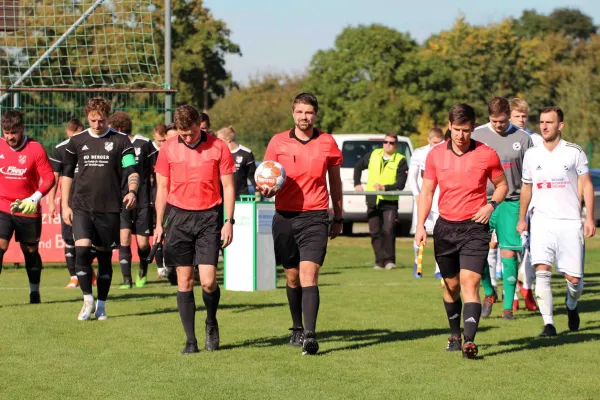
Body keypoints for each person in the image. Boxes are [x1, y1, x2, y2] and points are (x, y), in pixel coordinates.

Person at [415, 103, 507, 359]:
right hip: (445, 227)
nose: (460, 136)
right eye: (456, 129)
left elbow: (501, 185)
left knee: (471, 283)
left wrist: (491, 206)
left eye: (466, 130)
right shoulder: (435, 155)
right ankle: (454, 334)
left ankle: (469, 341)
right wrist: (421, 225)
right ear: (449, 127)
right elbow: (427, 192)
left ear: (473, 128)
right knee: (450, 286)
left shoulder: (486, 153)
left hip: (475, 227)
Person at [260, 92, 343, 356]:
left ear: (315, 114)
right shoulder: (277, 142)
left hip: (316, 216)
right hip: (284, 216)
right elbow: (265, 176)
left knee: (309, 274)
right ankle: (296, 328)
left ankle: (310, 335)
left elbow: (336, 181)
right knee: (292, 277)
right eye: (299, 112)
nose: (303, 117)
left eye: (308, 112)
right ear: (293, 113)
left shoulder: (328, 143)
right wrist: (265, 190)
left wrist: (338, 214)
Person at [153, 105, 236, 354]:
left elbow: (229, 187)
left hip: (209, 217)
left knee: (209, 281)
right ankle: (190, 340)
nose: (186, 138)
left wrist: (229, 221)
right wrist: (159, 224)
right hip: (178, 218)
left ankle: (211, 321)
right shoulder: (168, 148)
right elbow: (162, 189)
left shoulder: (218, 147)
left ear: (200, 124)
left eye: (190, 132)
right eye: (182, 133)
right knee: (184, 280)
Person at [517, 106, 595, 337]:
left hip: (570, 221)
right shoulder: (532, 154)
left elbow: (587, 184)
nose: (544, 126)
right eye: (541, 122)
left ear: (560, 125)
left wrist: (589, 217)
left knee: (574, 280)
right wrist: (522, 218)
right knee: (541, 269)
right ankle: (548, 324)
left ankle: (571, 304)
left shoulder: (574, 152)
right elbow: (526, 187)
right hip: (541, 221)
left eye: (549, 122)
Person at [62, 97, 139, 321]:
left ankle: (102, 305)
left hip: (110, 208)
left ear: (108, 117)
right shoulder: (76, 141)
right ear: (88, 117)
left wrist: (132, 191)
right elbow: (66, 175)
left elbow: (131, 170)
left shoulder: (121, 141)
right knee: (82, 251)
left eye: (102, 120)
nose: (97, 125)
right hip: (82, 207)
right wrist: (65, 204)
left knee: (105, 259)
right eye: (93, 120)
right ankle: (87, 300)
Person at [472, 96, 533, 320]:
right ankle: (489, 293)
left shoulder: (523, 138)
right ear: (488, 117)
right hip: (483, 202)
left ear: (509, 114)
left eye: (503, 120)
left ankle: (508, 307)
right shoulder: (477, 135)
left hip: (512, 201)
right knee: (478, 252)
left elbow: (530, 176)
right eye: (494, 121)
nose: (499, 125)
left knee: (508, 252)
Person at [0, 110, 55, 303]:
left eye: (13, 132)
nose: (9, 137)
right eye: (6, 132)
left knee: (30, 250)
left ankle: (34, 291)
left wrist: (34, 199)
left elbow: (49, 178)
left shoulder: (35, 148)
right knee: (0, 245)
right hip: (3, 206)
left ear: (22, 128)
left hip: (27, 208)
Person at [108, 111, 157, 289]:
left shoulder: (144, 143)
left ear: (119, 129)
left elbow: (156, 171)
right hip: (122, 199)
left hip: (143, 199)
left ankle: (143, 269)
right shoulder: (113, 145)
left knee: (143, 243)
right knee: (124, 238)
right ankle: (126, 280)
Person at [47, 118, 97, 289]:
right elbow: (53, 178)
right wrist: (52, 201)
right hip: (69, 202)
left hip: (91, 201)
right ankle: (74, 277)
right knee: (69, 240)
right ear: (68, 134)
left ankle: (86, 269)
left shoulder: (91, 145)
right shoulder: (60, 149)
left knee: (91, 240)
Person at [353, 133, 408, 270]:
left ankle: (389, 261)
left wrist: (385, 188)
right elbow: (358, 166)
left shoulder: (400, 160)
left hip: (390, 202)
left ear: (396, 145)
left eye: (391, 143)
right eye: (385, 142)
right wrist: (357, 183)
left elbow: (400, 184)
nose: (387, 145)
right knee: (375, 232)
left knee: (388, 230)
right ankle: (379, 262)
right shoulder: (374, 154)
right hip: (373, 199)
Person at [407, 127, 445, 279]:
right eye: (434, 142)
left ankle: (439, 268)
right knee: (420, 231)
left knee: (439, 233)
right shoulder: (419, 153)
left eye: (440, 142)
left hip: (439, 199)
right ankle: (418, 260)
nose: (437, 145)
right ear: (429, 140)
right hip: (423, 197)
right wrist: (417, 195)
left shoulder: (445, 152)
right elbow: (412, 177)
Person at [216, 126, 259, 200]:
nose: (217, 143)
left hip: (241, 198)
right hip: (223, 198)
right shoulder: (218, 153)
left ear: (228, 139)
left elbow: (253, 177)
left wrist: (257, 197)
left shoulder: (246, 153)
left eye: (219, 140)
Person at [151, 124, 167, 278]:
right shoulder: (148, 151)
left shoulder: (170, 151)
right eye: (159, 141)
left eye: (165, 140)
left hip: (172, 198)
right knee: (158, 232)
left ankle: (170, 267)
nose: (162, 144)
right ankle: (159, 267)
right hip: (156, 197)